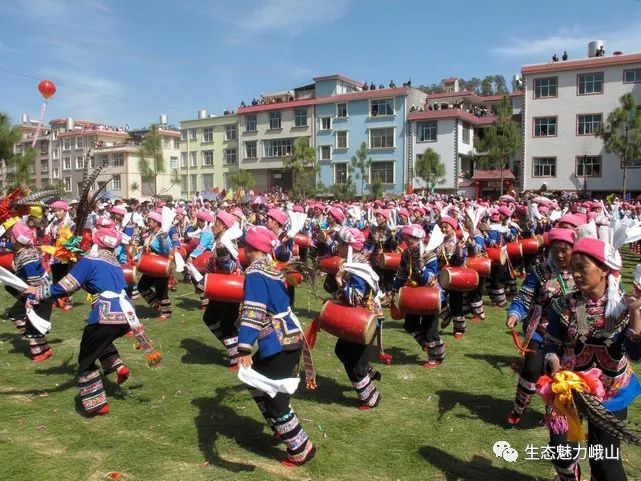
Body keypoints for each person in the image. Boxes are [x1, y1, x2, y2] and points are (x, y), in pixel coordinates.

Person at [542, 235, 641, 481]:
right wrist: (555, 367)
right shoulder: (565, 305)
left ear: (604, 270)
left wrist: (636, 317)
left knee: (605, 463)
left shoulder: (623, 308)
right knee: (561, 450)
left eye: (582, 268)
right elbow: (551, 344)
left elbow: (636, 354)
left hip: (609, 392)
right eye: (573, 269)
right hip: (569, 390)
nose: (575, 274)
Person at [26, 226, 145, 416]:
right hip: (126, 317)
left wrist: (38, 292)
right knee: (98, 342)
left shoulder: (90, 261)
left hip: (105, 316)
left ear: (96, 243)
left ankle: (97, 405)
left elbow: (66, 286)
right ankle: (117, 366)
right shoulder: (115, 264)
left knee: (86, 361)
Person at [236, 226, 315, 467]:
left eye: (245, 247)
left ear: (251, 249)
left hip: (278, 342)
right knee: (253, 381)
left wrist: (244, 346)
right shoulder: (272, 268)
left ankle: (301, 446)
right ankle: (279, 426)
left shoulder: (255, 273)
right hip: (289, 336)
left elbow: (254, 309)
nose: (243, 251)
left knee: (276, 399)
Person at [505, 228, 576, 425]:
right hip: (541, 329)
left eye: (565, 250)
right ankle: (519, 407)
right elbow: (525, 296)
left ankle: (553, 412)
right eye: (555, 250)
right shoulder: (539, 271)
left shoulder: (581, 273)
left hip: (570, 334)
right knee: (531, 369)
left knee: (560, 374)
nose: (560, 255)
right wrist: (515, 313)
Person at [328, 227, 383, 407]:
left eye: (342, 244)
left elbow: (354, 298)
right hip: (355, 319)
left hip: (364, 322)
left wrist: (339, 280)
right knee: (341, 350)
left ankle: (370, 397)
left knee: (354, 363)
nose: (339, 247)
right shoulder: (350, 264)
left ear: (350, 247)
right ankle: (368, 371)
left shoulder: (359, 268)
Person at [392, 224, 443, 367]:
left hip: (430, 296)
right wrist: (395, 290)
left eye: (409, 238)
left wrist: (422, 269)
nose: (406, 241)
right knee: (410, 324)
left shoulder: (429, 253)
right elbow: (402, 273)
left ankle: (436, 357)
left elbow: (432, 279)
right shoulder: (406, 253)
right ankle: (426, 345)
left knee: (429, 329)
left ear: (417, 238)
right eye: (406, 238)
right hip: (413, 294)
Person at [198, 210, 242, 369]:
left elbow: (230, 268)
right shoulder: (220, 241)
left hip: (228, 291)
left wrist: (223, 255)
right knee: (209, 318)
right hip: (218, 289)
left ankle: (236, 359)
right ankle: (235, 348)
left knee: (227, 325)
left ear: (223, 226)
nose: (212, 226)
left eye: (215, 223)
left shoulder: (227, 244)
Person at [6, 222, 53, 362]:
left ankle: (42, 352)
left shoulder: (27, 257)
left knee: (31, 323)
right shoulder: (22, 249)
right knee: (15, 314)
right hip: (33, 290)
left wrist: (30, 300)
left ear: (17, 238)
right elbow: (8, 247)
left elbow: (35, 281)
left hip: (40, 292)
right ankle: (42, 347)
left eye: (11, 236)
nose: (9, 238)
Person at [138, 212, 173, 320]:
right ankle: (155, 303)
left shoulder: (163, 234)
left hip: (161, 265)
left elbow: (168, 250)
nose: (148, 222)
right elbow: (146, 248)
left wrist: (163, 240)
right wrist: (137, 258)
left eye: (150, 220)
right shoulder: (152, 234)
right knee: (142, 286)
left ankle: (166, 313)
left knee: (161, 289)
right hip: (150, 265)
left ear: (156, 222)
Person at [439, 216, 468, 338]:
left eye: (446, 227)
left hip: (456, 277)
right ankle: (446, 316)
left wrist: (460, 250)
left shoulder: (459, 242)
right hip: (441, 275)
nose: (444, 229)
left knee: (456, 303)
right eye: (442, 227)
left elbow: (460, 262)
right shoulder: (438, 241)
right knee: (438, 298)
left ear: (453, 228)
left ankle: (459, 328)